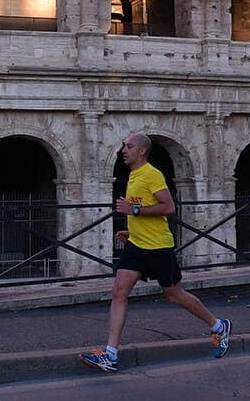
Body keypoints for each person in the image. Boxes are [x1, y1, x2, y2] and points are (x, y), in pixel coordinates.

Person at [80, 133, 232, 373]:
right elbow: (144, 212)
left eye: (128, 146)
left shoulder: (152, 174)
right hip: (136, 246)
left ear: (141, 151)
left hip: (158, 247)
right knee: (119, 291)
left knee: (175, 295)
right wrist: (130, 232)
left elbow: (168, 207)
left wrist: (134, 210)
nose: (123, 150)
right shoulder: (133, 175)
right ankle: (111, 354)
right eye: (123, 146)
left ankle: (218, 326)